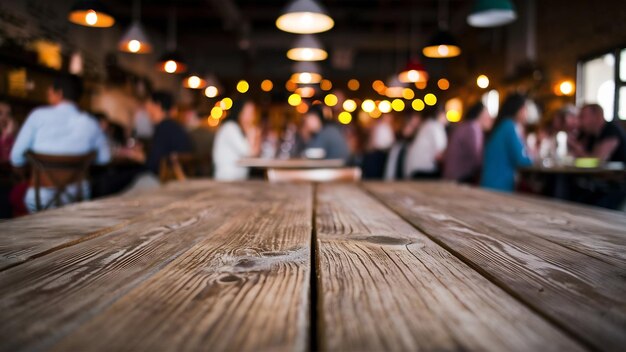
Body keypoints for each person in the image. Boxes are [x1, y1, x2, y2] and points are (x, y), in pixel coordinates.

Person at [10, 74, 110, 212]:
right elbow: (104, 159)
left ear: (59, 93)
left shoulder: (37, 116)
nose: (48, 93)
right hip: (78, 197)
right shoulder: (91, 123)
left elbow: (16, 158)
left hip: (40, 199)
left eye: (50, 90)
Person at [481, 93, 533, 192]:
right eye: (525, 108)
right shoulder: (509, 126)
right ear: (519, 109)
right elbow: (521, 160)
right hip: (499, 186)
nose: (527, 113)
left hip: (490, 183)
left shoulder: (502, 124)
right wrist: (533, 157)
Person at [443, 102, 493, 183]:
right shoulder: (472, 128)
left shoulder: (467, 126)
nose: (490, 119)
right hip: (458, 178)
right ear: (480, 115)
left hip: (453, 175)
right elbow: (477, 158)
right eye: (487, 116)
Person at [213, 100, 260, 181]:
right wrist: (252, 134)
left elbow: (255, 155)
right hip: (226, 180)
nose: (251, 116)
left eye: (252, 112)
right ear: (239, 112)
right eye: (248, 112)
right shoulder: (230, 127)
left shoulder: (239, 129)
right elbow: (249, 153)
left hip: (238, 180)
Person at [404, 105, 447, 179]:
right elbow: (440, 154)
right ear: (440, 114)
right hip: (424, 169)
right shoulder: (435, 126)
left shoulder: (427, 124)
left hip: (415, 168)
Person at [384, 112, 421, 180]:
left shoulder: (414, 145)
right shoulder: (398, 146)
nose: (414, 129)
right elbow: (391, 169)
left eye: (416, 126)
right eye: (411, 125)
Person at [362, 113, 395, 179]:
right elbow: (375, 143)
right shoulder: (381, 126)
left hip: (382, 153)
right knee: (375, 174)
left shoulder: (387, 127)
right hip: (376, 153)